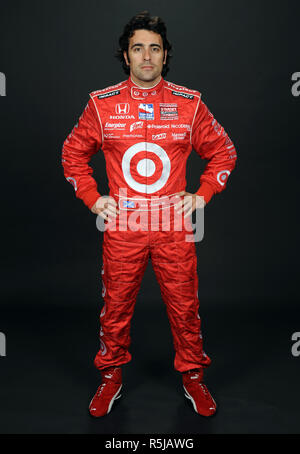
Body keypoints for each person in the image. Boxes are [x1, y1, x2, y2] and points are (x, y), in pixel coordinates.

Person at [62, 11, 237, 418]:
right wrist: (92, 197)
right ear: (126, 56)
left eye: (154, 49)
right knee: (116, 304)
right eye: (138, 48)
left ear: (164, 56)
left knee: (184, 304)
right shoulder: (102, 105)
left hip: (173, 225)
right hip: (123, 225)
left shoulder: (189, 104)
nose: (146, 56)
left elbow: (224, 151)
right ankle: (110, 377)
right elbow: (72, 153)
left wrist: (203, 194)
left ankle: (194, 376)